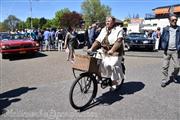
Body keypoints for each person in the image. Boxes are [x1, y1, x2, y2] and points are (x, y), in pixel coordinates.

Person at [88, 16, 125, 90]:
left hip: (115, 51)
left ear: (113, 22)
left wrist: (112, 50)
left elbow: (119, 41)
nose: (107, 22)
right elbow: (98, 40)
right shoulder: (103, 30)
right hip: (104, 50)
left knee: (112, 65)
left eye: (109, 21)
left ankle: (114, 82)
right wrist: (91, 48)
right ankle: (99, 77)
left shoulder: (119, 29)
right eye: (106, 21)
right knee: (95, 61)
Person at [160, 14, 180, 87]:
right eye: (173, 20)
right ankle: (164, 80)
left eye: (176, 20)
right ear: (169, 21)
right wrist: (162, 46)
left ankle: (174, 75)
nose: (174, 21)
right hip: (167, 50)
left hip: (176, 51)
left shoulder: (179, 29)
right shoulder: (165, 29)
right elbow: (162, 38)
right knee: (165, 66)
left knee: (177, 66)